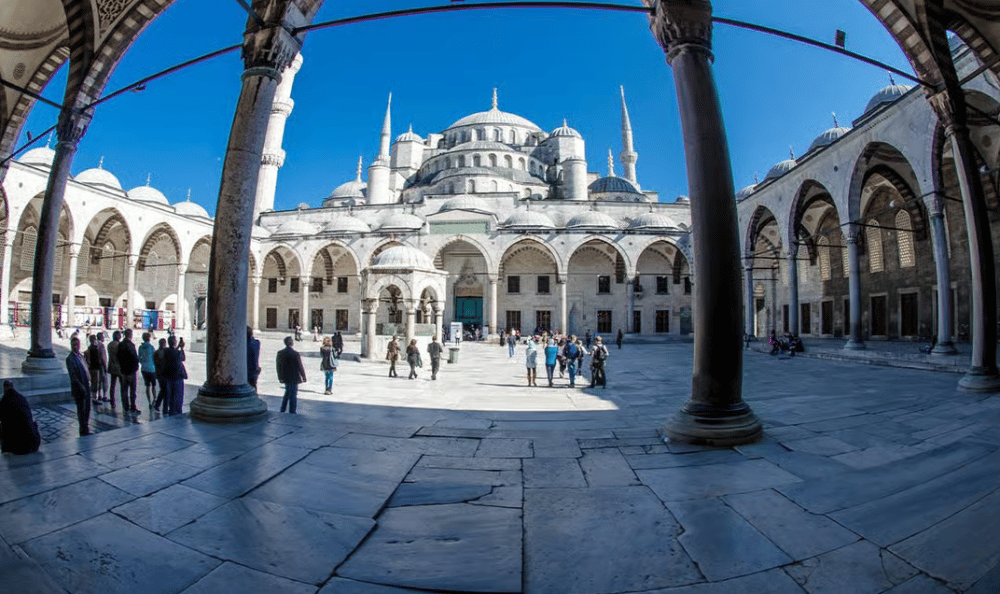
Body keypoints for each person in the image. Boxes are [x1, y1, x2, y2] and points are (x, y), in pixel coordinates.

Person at [0, 381, 41, 454]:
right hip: (33, 443)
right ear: (13, 387)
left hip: (18, 447)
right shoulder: (21, 397)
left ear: (4, 388)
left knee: (5, 424)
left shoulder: (4, 400)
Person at [65, 336, 92, 436]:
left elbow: (86, 368)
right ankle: (83, 429)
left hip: (86, 384)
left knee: (87, 407)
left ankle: (86, 427)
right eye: (73, 345)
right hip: (79, 387)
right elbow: (73, 376)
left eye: (77, 345)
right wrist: (81, 386)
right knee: (81, 409)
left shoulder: (81, 356)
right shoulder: (70, 359)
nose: (75, 347)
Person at [276, 336, 306, 413]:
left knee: (287, 393)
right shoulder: (295, 354)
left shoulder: (280, 353)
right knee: (293, 395)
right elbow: (300, 366)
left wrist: (280, 377)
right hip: (294, 377)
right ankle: (292, 411)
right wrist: (303, 376)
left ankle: (283, 409)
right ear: (291, 343)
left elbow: (278, 366)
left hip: (285, 377)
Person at [117, 329, 141, 413]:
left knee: (124, 389)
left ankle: (125, 406)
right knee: (132, 390)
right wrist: (136, 366)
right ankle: (133, 406)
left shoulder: (120, 345)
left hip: (123, 370)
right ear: (130, 335)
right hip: (131, 370)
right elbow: (134, 357)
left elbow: (118, 357)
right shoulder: (130, 345)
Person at [162, 335, 187, 415]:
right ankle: (178, 410)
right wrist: (181, 348)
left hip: (169, 376)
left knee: (171, 395)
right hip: (177, 376)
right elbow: (183, 358)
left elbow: (173, 353)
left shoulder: (166, 351)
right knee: (178, 394)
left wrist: (178, 347)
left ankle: (172, 410)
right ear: (175, 342)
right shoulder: (177, 352)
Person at [85, 334, 107, 405]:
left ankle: (95, 396)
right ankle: (95, 397)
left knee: (95, 382)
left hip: (92, 367)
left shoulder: (90, 348)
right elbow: (101, 357)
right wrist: (104, 365)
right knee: (96, 382)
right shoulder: (94, 348)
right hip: (95, 367)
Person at [138, 332, 156, 408]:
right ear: (149, 338)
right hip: (151, 369)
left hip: (144, 369)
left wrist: (143, 363)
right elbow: (155, 358)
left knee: (147, 386)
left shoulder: (140, 347)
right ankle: (154, 399)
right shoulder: (151, 347)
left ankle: (149, 401)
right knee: (154, 386)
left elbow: (139, 358)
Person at [106, 331, 122, 411]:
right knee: (123, 385)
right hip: (119, 367)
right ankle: (124, 401)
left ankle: (112, 401)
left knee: (112, 385)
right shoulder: (119, 345)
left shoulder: (109, 344)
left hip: (112, 366)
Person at [152, 338, 168, 413]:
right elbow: (158, 363)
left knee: (163, 390)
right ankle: (160, 406)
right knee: (164, 390)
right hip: (161, 374)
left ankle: (159, 405)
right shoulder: (159, 352)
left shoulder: (158, 352)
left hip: (160, 374)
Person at [246, 326, 261, 391]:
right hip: (254, 370)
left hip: (245, 371)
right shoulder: (256, 343)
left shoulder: (242, 344)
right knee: (253, 387)